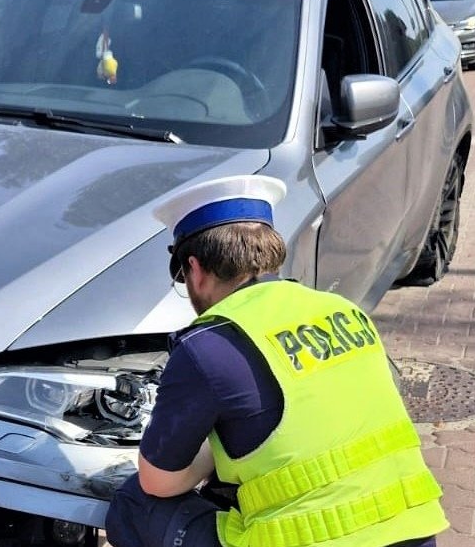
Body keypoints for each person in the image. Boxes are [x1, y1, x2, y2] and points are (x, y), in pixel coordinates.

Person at [106, 175, 449, 547]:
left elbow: (159, 480)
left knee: (134, 502)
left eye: (182, 276)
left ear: (196, 268)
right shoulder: (344, 310)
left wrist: (212, 454)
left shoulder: (208, 346)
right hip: (412, 532)